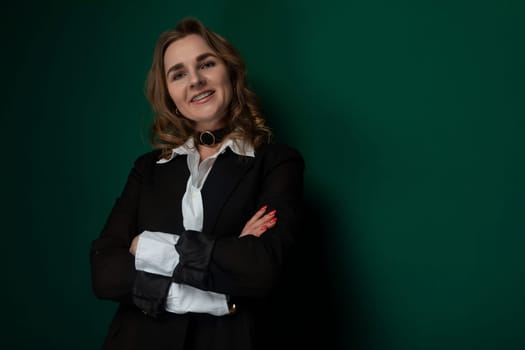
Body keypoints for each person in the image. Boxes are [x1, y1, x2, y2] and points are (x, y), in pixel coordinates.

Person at [89, 17, 304, 350]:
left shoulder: (277, 163)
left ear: (230, 72)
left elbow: (261, 268)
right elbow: (105, 271)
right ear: (171, 96)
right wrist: (212, 292)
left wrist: (148, 247)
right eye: (178, 73)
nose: (195, 81)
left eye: (206, 64)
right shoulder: (147, 169)